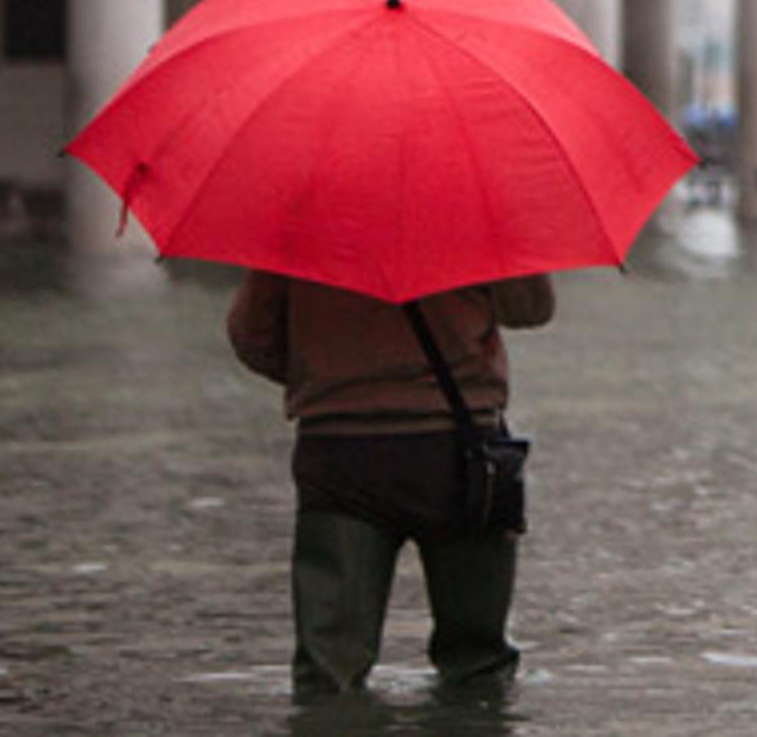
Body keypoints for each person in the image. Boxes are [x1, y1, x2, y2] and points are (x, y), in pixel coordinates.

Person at [228, 268, 557, 699]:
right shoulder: (475, 209)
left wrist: (331, 379)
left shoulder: (301, 218)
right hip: (459, 455)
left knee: (328, 673)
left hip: (339, 455)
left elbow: (253, 336)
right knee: (478, 666)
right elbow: (531, 308)